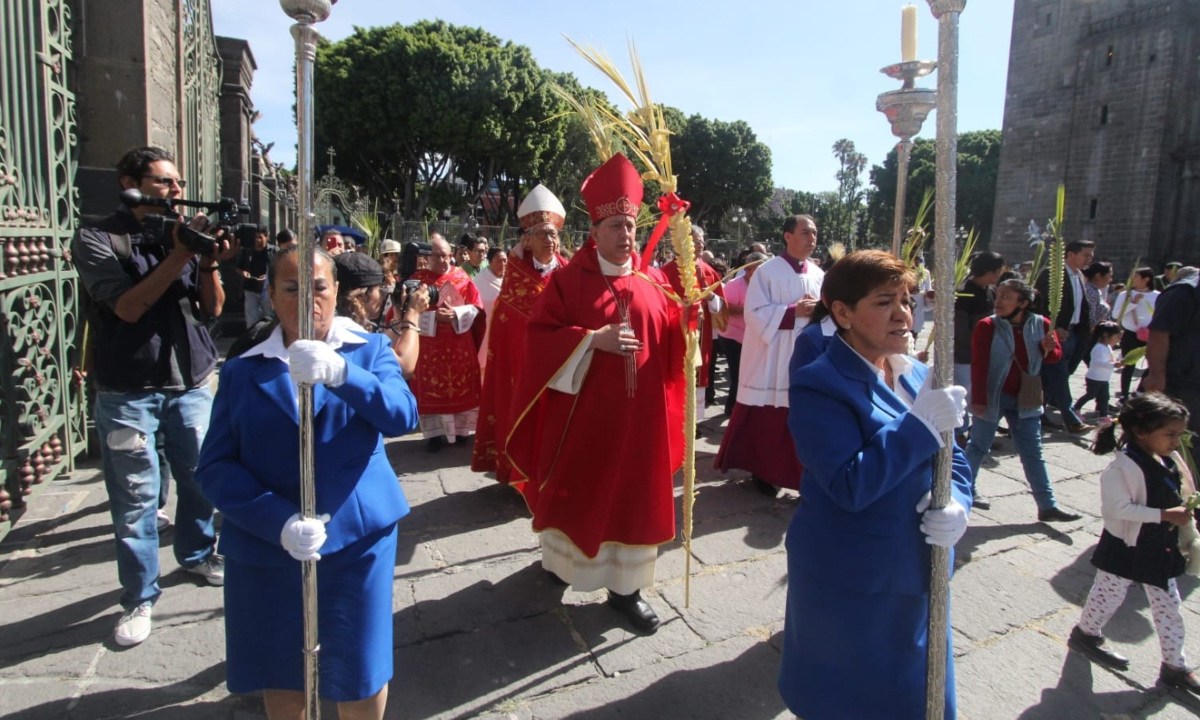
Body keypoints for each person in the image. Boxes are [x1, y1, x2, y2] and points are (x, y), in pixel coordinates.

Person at [196, 248, 417, 719]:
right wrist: (277, 522)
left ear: (336, 291)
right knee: (282, 671)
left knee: (359, 669)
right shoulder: (242, 370)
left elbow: (402, 416)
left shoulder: (369, 350)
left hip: (357, 539)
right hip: (268, 546)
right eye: (292, 288)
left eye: (318, 287)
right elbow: (214, 467)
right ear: (272, 295)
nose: (307, 299)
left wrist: (343, 375)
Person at [783, 250, 973, 719]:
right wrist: (918, 427)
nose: (903, 313)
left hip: (918, 571)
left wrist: (959, 503)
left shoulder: (916, 374)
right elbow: (850, 484)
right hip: (853, 581)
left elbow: (957, 458)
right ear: (843, 313)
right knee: (852, 702)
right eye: (884, 302)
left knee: (918, 696)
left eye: (906, 300)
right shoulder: (820, 384)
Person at [505, 153, 684, 634]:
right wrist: (590, 339)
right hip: (583, 419)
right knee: (577, 494)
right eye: (616, 226)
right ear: (595, 230)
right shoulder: (566, 281)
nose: (626, 235)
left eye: (630, 226)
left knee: (632, 501)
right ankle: (561, 565)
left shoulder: (652, 283)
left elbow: (672, 344)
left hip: (640, 423)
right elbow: (538, 338)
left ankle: (626, 592)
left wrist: (691, 318)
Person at [72, 145, 234, 646]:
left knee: (201, 479)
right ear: (130, 184)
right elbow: (126, 307)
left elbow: (212, 310)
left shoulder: (180, 235)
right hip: (128, 390)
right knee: (137, 499)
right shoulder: (97, 238)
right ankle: (140, 597)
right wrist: (182, 253)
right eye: (165, 182)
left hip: (189, 381)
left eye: (178, 183)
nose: (176, 192)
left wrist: (206, 262)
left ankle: (197, 553)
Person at [1066, 392, 1200, 692]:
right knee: (1108, 594)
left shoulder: (1166, 458)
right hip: (1126, 548)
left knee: (1169, 607)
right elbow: (1116, 509)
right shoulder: (1121, 468)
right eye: (1170, 434)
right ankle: (1086, 633)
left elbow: (1180, 485)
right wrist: (1164, 514)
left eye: (1179, 434)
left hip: (1159, 549)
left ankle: (1174, 665)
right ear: (1141, 432)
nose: (1176, 440)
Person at [715, 215, 824, 497]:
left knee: (798, 416)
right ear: (788, 236)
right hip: (771, 356)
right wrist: (793, 311)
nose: (812, 238)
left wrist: (818, 311)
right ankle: (762, 471)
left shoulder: (818, 274)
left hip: (804, 356)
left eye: (814, 233)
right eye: (806, 232)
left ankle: (798, 472)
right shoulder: (767, 271)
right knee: (768, 417)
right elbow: (755, 313)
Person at [471, 184, 570, 482]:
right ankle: (518, 475)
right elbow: (506, 321)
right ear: (528, 239)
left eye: (553, 234)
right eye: (542, 234)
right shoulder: (516, 275)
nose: (549, 240)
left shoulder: (567, 273)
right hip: (520, 367)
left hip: (559, 366)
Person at [963, 279, 1082, 521]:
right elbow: (979, 364)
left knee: (1032, 451)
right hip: (993, 396)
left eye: (1007, 297)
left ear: (1024, 302)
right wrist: (978, 399)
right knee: (977, 447)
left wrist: (1050, 347)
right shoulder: (987, 326)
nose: (999, 301)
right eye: (998, 295)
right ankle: (965, 490)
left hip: (1026, 398)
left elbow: (1053, 358)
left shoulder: (1042, 324)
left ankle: (1047, 505)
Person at [410, 233, 484, 451]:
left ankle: (461, 432)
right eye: (437, 256)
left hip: (459, 344)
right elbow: (406, 315)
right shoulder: (418, 281)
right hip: (429, 347)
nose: (442, 261)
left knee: (460, 387)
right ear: (428, 257)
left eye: (446, 256)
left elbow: (477, 308)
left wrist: (457, 314)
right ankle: (435, 435)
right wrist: (434, 317)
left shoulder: (462, 277)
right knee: (434, 388)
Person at [662, 226, 725, 421]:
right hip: (674, 336)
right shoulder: (667, 271)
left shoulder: (708, 270)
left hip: (701, 336)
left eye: (702, 240)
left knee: (697, 380)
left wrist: (710, 294)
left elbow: (722, 308)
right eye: (696, 241)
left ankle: (693, 425)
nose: (701, 244)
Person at [1035, 239, 1097, 434]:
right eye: (1086, 254)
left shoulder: (1079, 275)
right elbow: (1040, 304)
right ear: (1070, 254)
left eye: (1091, 255)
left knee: (1054, 377)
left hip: (1075, 333)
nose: (1089, 259)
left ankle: (1037, 414)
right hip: (1056, 334)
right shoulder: (1053, 274)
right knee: (1059, 374)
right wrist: (1051, 327)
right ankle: (1071, 419)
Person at [335, 252, 428, 377]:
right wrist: (413, 314)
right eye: (379, 290)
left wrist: (399, 319)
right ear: (362, 296)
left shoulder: (333, 323)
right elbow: (404, 367)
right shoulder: (347, 330)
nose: (382, 296)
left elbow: (377, 347)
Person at [953, 251, 1005, 447]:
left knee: (981, 394)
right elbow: (960, 328)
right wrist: (973, 349)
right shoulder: (965, 290)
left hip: (984, 353)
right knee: (963, 394)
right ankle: (959, 431)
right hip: (966, 355)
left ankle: (979, 432)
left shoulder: (989, 291)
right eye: (998, 271)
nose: (999, 275)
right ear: (990, 272)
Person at [1144, 266, 1200, 431]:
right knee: (1172, 438)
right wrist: (1156, 375)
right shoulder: (1185, 292)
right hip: (1180, 384)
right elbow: (1159, 333)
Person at [716, 252, 767, 417]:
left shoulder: (765, 285)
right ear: (749, 269)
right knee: (738, 375)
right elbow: (726, 308)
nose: (764, 272)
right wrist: (750, 311)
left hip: (753, 336)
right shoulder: (734, 285)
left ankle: (743, 410)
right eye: (760, 268)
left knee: (749, 375)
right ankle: (732, 411)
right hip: (732, 337)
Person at [1111, 267, 1159, 401]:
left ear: (1146, 279)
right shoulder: (1125, 294)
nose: (1131, 279)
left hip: (1150, 334)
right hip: (1131, 333)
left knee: (1153, 363)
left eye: (1135, 276)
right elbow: (1116, 315)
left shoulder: (1157, 295)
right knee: (1128, 363)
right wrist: (1133, 303)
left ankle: (1139, 390)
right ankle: (1124, 395)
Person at [1074, 321, 1123, 419]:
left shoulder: (1107, 347)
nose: (1118, 340)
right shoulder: (1099, 348)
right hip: (1094, 378)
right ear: (1106, 335)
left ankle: (1103, 415)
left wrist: (1118, 362)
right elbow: (1098, 363)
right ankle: (1075, 408)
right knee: (1090, 395)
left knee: (1105, 397)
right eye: (1116, 337)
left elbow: (1109, 360)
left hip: (1103, 378)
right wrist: (1113, 365)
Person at [472, 247, 507, 371]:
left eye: (504, 261)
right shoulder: (480, 280)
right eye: (498, 261)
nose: (502, 264)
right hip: (485, 330)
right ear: (490, 262)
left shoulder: (509, 279)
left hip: (504, 329)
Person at [238, 226, 275, 327]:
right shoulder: (247, 250)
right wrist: (244, 273)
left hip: (267, 289)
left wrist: (267, 277)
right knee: (251, 317)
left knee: (269, 316)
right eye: (255, 237)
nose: (257, 240)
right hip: (250, 288)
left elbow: (278, 269)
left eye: (260, 237)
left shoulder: (273, 251)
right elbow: (238, 268)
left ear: (267, 237)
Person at [912, 254, 934, 338]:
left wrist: (930, 296)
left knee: (914, 337)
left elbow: (928, 290)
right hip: (905, 309)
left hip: (918, 311)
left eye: (918, 259)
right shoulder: (903, 271)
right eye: (914, 259)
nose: (916, 262)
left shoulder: (925, 273)